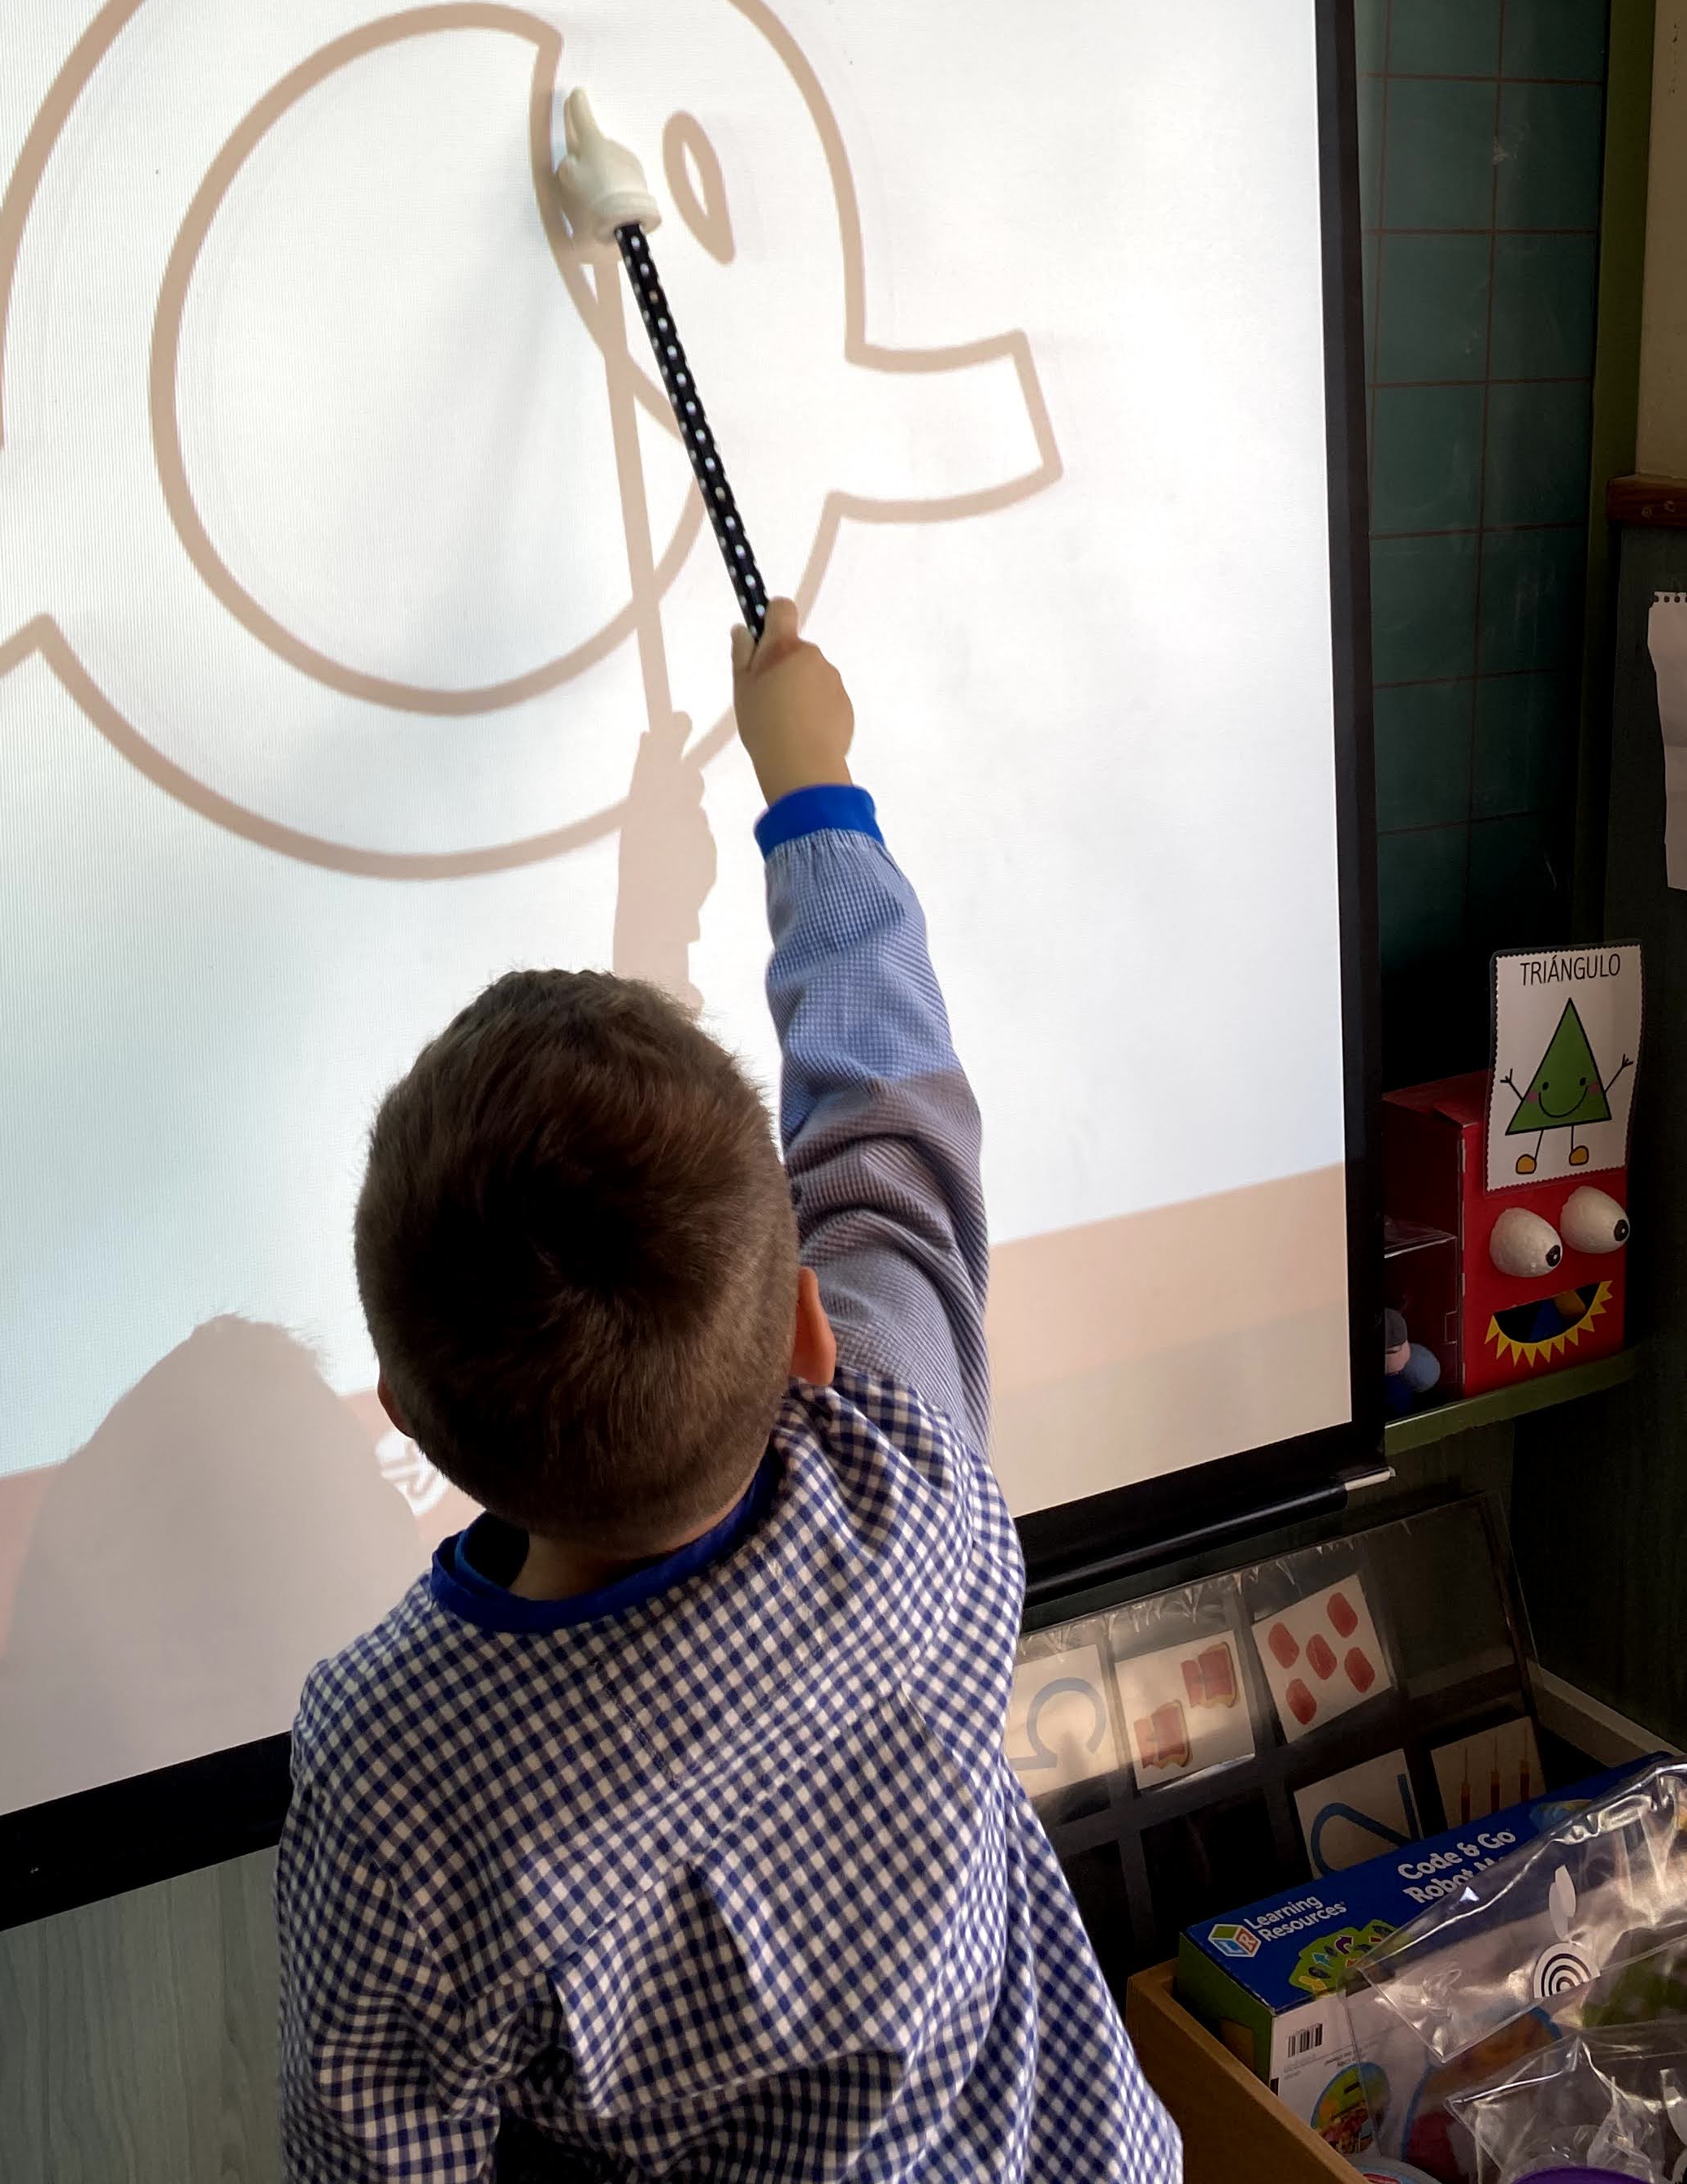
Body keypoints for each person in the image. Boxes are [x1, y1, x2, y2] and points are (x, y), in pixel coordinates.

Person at [276, 599, 1178, 2180]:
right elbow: (887, 1114)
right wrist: (810, 789)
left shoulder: (398, 1767)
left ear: (415, 1430)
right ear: (812, 1336)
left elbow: (382, 2161)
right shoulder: (906, 1472)